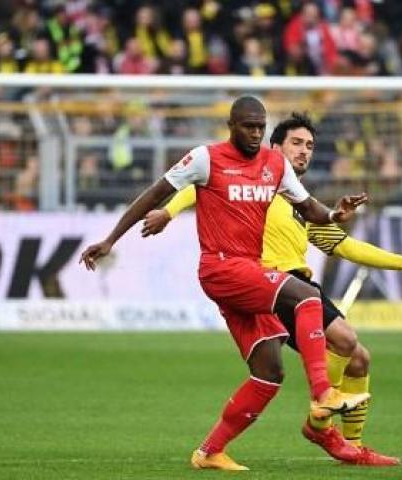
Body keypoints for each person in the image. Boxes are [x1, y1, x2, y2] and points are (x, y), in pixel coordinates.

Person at [81, 96, 371, 471]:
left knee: (270, 372)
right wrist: (110, 240)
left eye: (259, 127)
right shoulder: (205, 158)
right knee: (305, 297)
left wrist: (334, 213)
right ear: (231, 125)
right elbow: (156, 192)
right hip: (220, 268)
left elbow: (308, 207)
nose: (254, 133)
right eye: (248, 126)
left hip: (248, 272)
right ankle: (322, 392)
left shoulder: (274, 164)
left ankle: (209, 452)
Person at [143, 112, 402, 466]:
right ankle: (319, 419)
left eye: (310, 146)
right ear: (274, 147)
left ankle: (350, 446)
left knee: (358, 359)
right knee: (343, 338)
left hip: (298, 285)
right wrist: (168, 212)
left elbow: (346, 246)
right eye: (296, 143)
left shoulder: (304, 206)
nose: (304, 151)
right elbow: (196, 186)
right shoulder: (256, 187)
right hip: (271, 284)